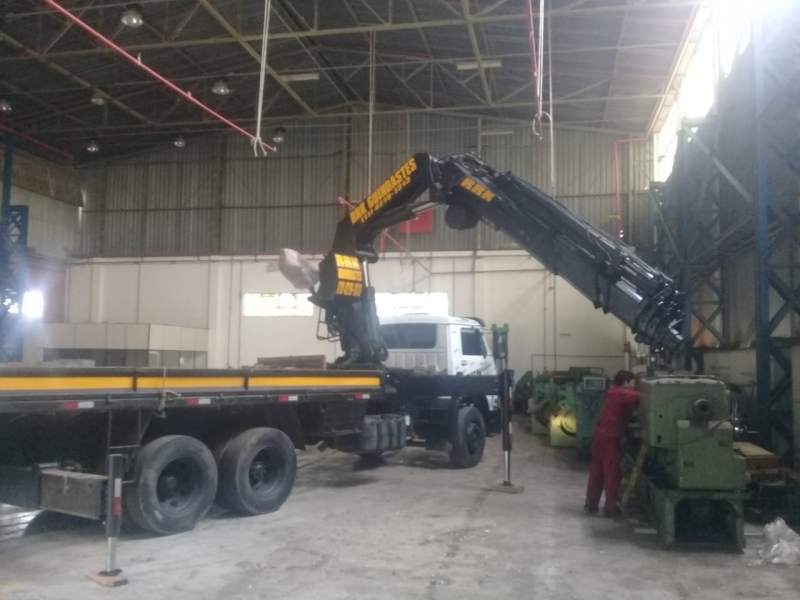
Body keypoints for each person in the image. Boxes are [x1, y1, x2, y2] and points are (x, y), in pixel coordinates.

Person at [584, 369, 640, 517]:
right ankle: (610, 508)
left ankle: (591, 505)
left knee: (597, 471)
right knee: (611, 473)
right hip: (609, 438)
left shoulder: (613, 392)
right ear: (625, 382)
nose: (634, 386)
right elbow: (643, 396)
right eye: (632, 383)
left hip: (600, 435)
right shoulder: (620, 392)